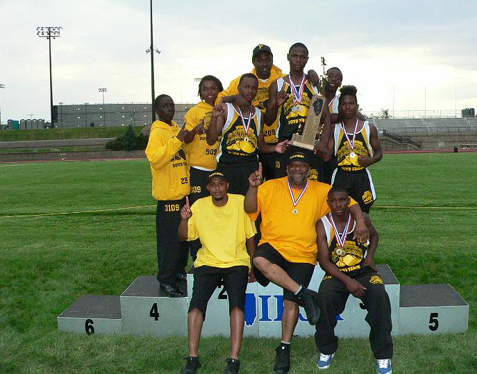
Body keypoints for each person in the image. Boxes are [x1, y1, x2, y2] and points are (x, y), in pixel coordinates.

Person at [244, 152, 369, 374]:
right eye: (293, 165)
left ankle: (284, 347)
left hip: (303, 253)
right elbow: (250, 210)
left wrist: (360, 222)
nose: (298, 169)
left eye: (302, 166)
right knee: (259, 260)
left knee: (290, 303)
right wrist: (253, 187)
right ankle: (305, 294)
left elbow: (351, 203)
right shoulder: (270, 186)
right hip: (273, 246)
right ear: (287, 168)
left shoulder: (321, 190)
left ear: (309, 170)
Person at [178, 171, 257, 374]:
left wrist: (252, 266)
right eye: (213, 185)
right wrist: (184, 220)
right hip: (208, 262)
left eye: (220, 184)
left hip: (236, 262)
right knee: (196, 306)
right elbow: (182, 237)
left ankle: (234, 358)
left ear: (227, 185)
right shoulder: (199, 206)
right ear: (208, 188)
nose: (217, 188)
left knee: (237, 307)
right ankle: (193, 357)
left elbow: (250, 236)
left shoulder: (240, 202)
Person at [314, 185, 393, 373]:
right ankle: (327, 350)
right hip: (336, 274)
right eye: (333, 201)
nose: (338, 204)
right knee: (323, 298)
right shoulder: (323, 224)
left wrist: (370, 256)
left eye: (342, 200)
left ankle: (383, 355)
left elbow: (375, 235)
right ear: (328, 203)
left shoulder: (361, 219)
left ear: (349, 201)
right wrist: (347, 281)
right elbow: (324, 261)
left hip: (363, 272)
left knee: (380, 296)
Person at [217, 44, 319, 180]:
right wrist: (235, 97)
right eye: (260, 60)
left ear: (273, 60)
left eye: (267, 60)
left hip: (277, 143)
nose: (264, 64)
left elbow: (300, 78)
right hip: (251, 141)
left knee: (276, 182)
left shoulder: (281, 79)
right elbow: (219, 100)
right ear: (253, 62)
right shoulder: (243, 80)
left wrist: (311, 72)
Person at [207, 73, 287, 195]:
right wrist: (213, 117)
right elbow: (211, 140)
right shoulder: (226, 109)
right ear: (239, 87)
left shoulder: (258, 114)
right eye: (246, 86)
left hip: (250, 168)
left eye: (254, 87)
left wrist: (275, 148)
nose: (250, 91)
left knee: (249, 209)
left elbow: (260, 145)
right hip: (228, 167)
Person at [145, 94, 192, 297]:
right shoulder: (158, 131)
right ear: (157, 110)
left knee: (183, 242)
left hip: (182, 195)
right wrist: (177, 140)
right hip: (168, 199)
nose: (169, 108)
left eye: (171, 105)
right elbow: (155, 158)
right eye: (164, 106)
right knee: (169, 244)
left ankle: (179, 273)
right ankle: (166, 280)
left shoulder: (174, 128)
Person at [265, 42, 331, 182]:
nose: (298, 60)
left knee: (312, 186)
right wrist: (274, 105)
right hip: (286, 143)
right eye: (295, 56)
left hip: (309, 141)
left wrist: (323, 142)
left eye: (302, 57)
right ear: (288, 57)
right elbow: (269, 120)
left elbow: (325, 116)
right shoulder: (277, 84)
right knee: (283, 188)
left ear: (307, 59)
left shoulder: (313, 84)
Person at [183, 75, 224, 260]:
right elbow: (186, 138)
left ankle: (219, 251)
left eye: (213, 88)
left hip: (219, 167)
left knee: (219, 213)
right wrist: (195, 129)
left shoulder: (224, 109)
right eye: (205, 89)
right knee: (197, 214)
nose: (209, 92)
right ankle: (197, 255)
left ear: (219, 90)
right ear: (200, 92)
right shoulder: (193, 112)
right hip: (199, 169)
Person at [330, 85, 383, 213]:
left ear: (357, 106)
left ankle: (364, 233)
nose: (348, 107)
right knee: (340, 212)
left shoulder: (369, 128)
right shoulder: (335, 129)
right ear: (339, 107)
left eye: (351, 103)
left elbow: (379, 153)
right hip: (342, 175)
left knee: (363, 213)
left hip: (361, 176)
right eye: (344, 104)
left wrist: (370, 160)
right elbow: (327, 154)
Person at [322, 67, 343, 182]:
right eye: (330, 76)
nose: (333, 79)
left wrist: (340, 116)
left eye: (337, 78)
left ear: (340, 83)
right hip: (312, 146)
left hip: (332, 153)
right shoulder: (314, 96)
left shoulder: (341, 103)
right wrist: (331, 117)